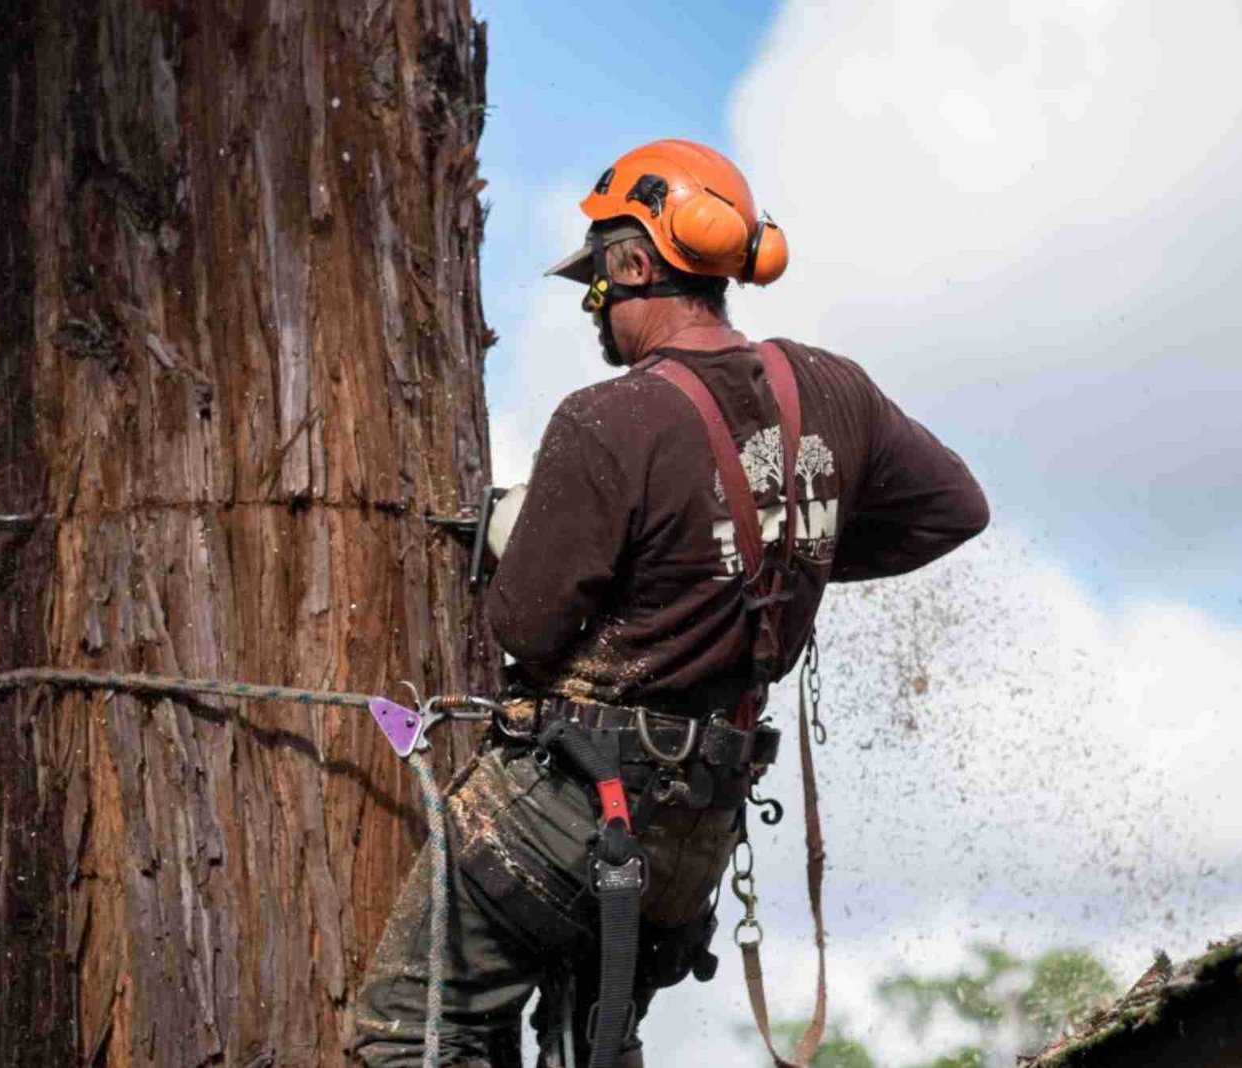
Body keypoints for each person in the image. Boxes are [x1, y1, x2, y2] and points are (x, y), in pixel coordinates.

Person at [354, 139, 989, 1067]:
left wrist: (526, 541)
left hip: (569, 807)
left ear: (631, 263)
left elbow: (523, 626)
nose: (593, 311)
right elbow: (954, 509)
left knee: (412, 1029)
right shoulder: (833, 389)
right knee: (590, 1047)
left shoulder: (608, 418)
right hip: (691, 837)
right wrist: (776, 559)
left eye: (596, 284)